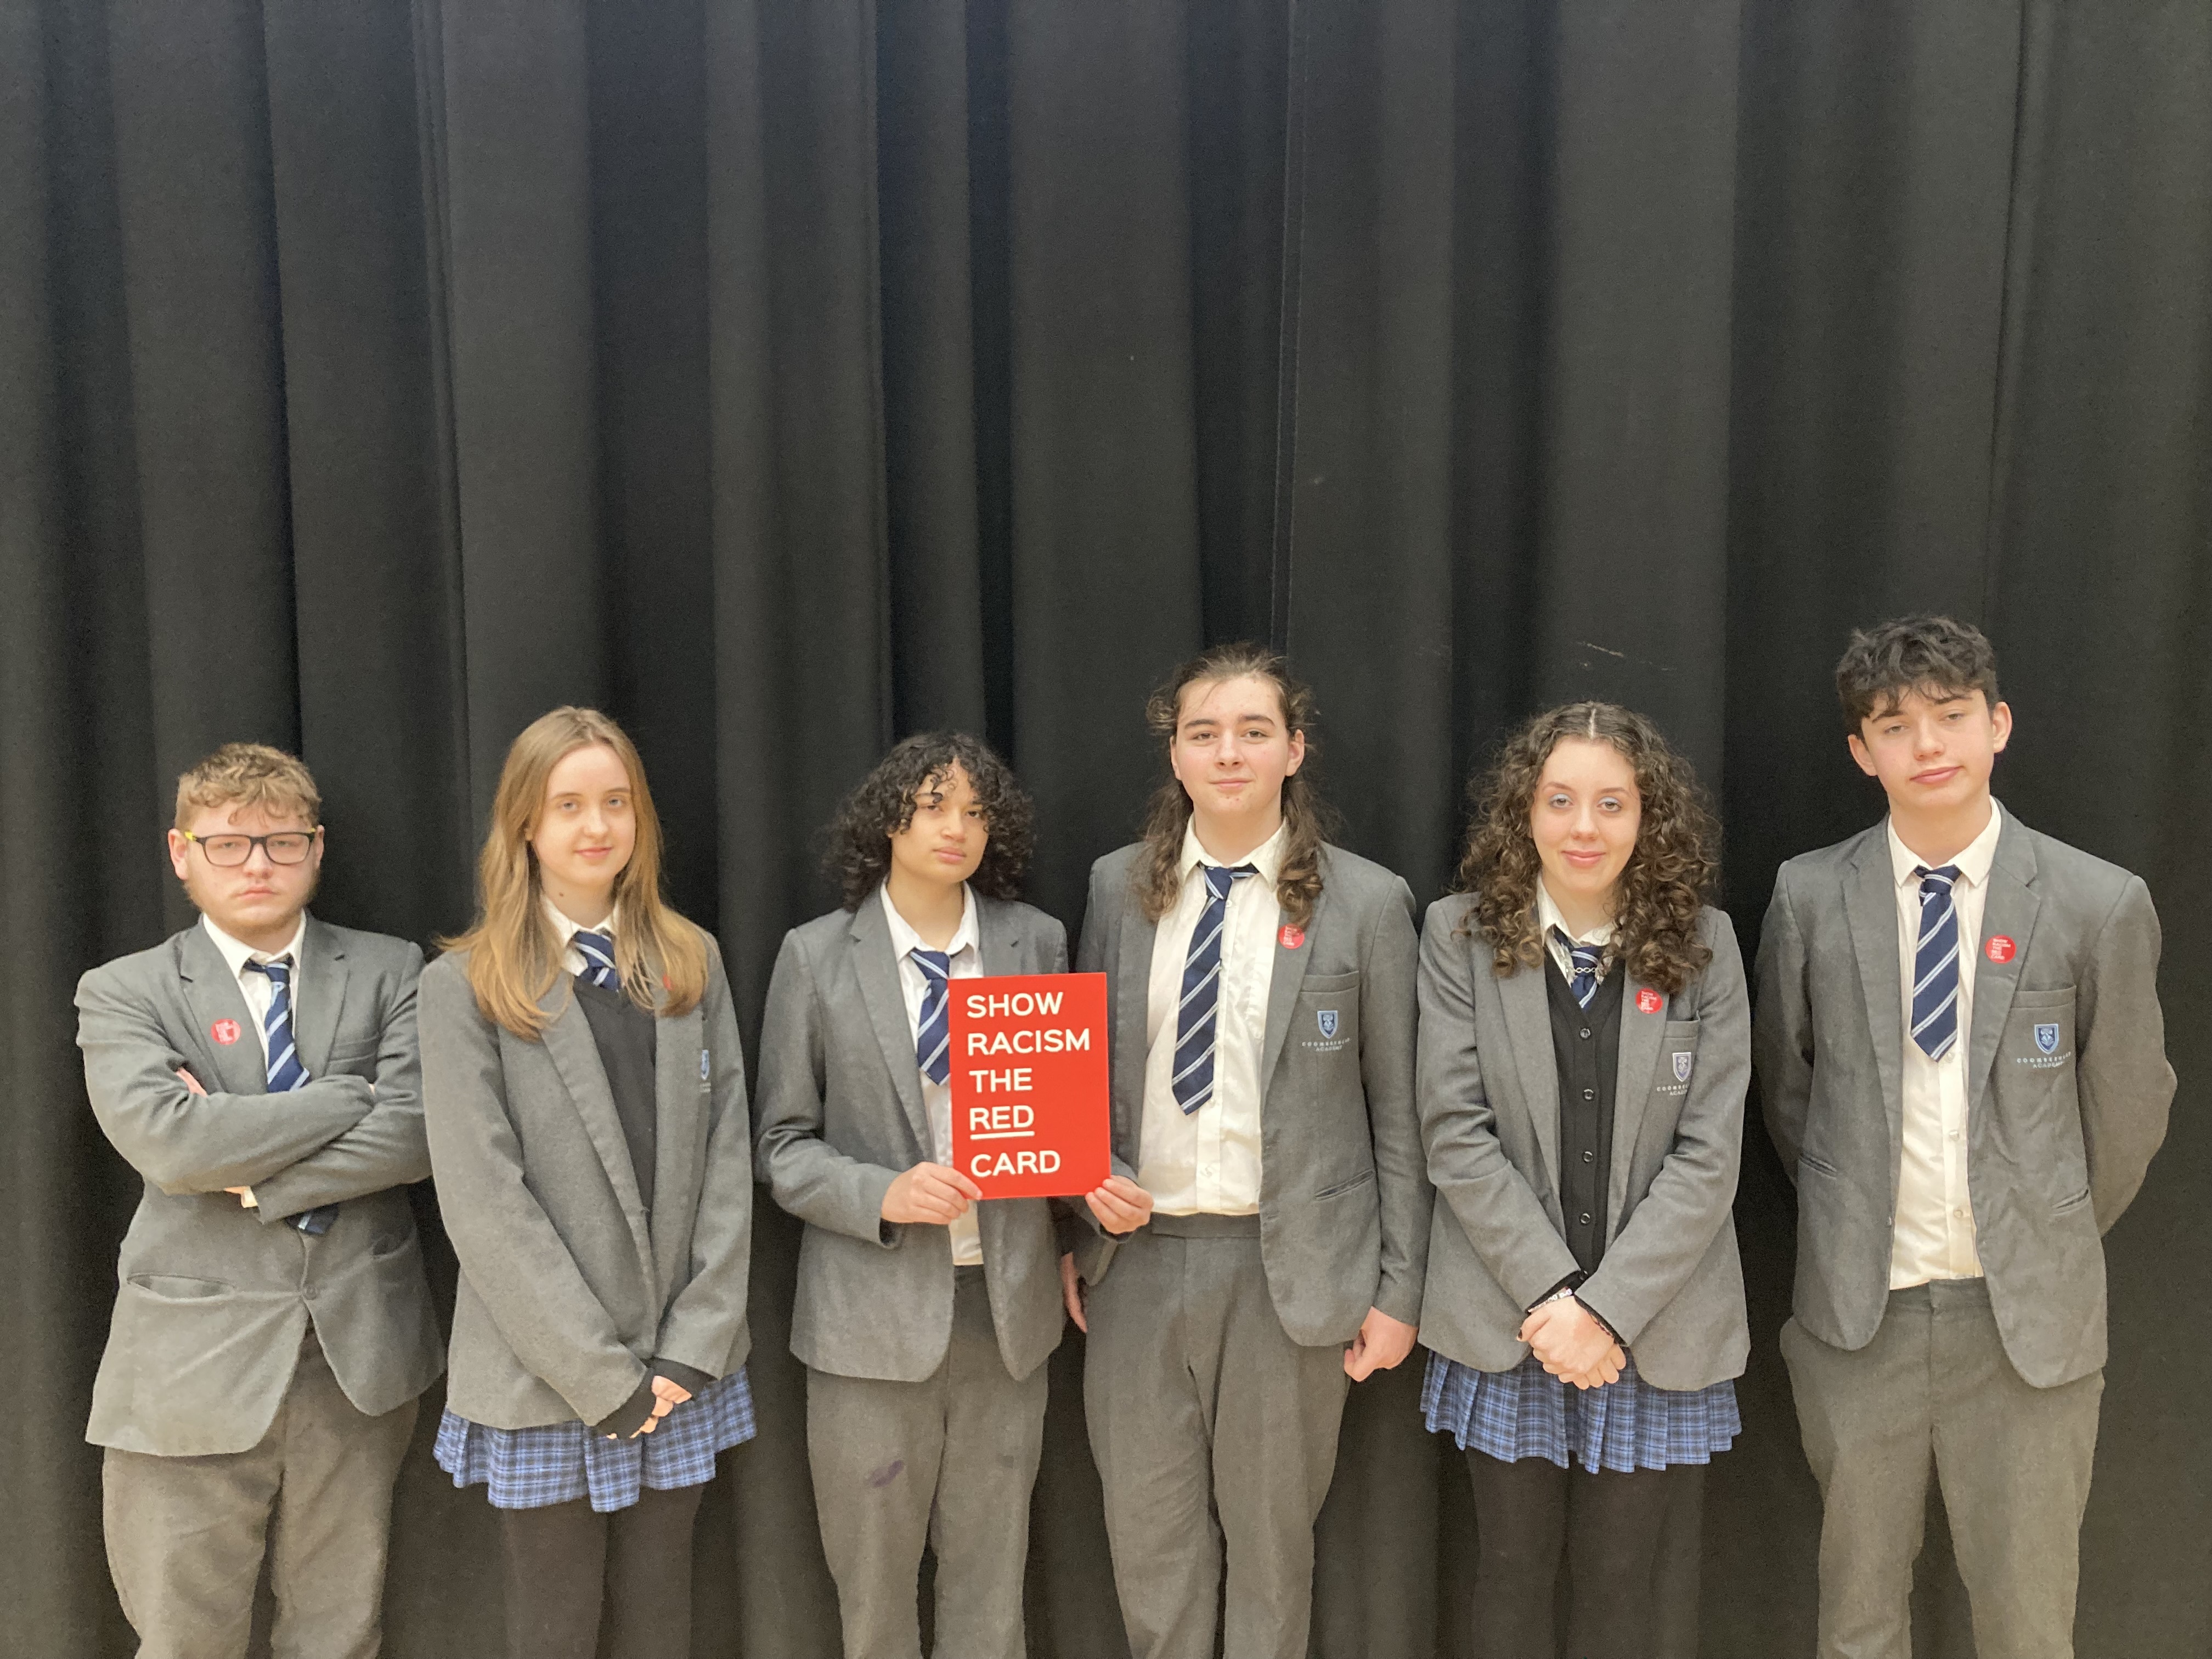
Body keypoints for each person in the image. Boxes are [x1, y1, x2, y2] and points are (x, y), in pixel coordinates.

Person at [1756, 614, 2172, 1659]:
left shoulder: (2097, 902)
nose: (1928, 745)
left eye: (1950, 715)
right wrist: (1854, 1212)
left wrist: (2044, 1223)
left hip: (2026, 1326)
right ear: (1863, 752)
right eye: (1895, 726)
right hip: (1862, 1322)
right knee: (1857, 1622)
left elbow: (2126, 1109)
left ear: (1999, 725)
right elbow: (1789, 1094)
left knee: (2028, 1626)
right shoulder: (1809, 896)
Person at [1060, 642, 1429, 1659]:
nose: (1229, 753)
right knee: (1150, 1552)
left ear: (1294, 750)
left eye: (1254, 732)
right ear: (1176, 756)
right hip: (1136, 1267)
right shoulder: (1114, 888)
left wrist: (1401, 1290)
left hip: (1289, 1275)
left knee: (1273, 1558)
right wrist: (1078, 1204)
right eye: (1204, 733)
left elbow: (1401, 1115)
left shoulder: (1368, 902)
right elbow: (1077, 1077)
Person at [74, 742, 441, 1659]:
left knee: (340, 1632)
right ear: (181, 853)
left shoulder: (394, 970)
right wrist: (346, 1097)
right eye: (228, 844)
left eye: (281, 843)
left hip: (359, 1357)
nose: (257, 865)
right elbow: (171, 1144)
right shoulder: (124, 991)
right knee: (184, 1637)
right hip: (189, 1368)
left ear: (316, 849)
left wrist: (248, 1168)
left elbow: (417, 1133)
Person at [418, 707, 756, 1659]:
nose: (596, 826)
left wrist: (694, 1347)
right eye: (568, 805)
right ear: (526, 823)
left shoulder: (691, 960)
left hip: (680, 1369)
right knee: (554, 1628)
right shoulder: (464, 986)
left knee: (662, 1622)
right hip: (545, 1375)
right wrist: (601, 1379)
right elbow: (485, 1205)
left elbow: (729, 1160)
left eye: (616, 802)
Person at [1414, 703, 1748, 1659]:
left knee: (1621, 1584)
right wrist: (1555, 1301)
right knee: (1511, 1574)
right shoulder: (1459, 935)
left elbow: (1710, 1156)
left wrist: (1605, 1312)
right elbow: (1455, 1133)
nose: (1584, 827)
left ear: (1648, 815)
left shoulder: (1708, 943)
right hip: (1510, 1321)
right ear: (1525, 811)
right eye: (1559, 801)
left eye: (1612, 803)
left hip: (1652, 1325)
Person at [754, 732, 1067, 1659]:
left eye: (976, 811)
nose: (956, 827)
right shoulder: (816, 957)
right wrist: (883, 1192)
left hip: (1005, 1318)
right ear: (889, 818)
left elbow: (1069, 1118)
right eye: (934, 806)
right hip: (867, 1327)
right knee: (875, 1600)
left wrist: (1099, 1198)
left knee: (992, 1596)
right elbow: (780, 1147)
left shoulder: (1036, 942)